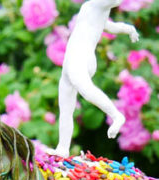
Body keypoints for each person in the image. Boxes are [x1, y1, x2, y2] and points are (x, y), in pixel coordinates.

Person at [50, 0, 139, 157]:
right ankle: (63, 148)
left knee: (86, 90)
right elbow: (111, 27)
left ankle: (116, 115)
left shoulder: (97, 5)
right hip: (70, 60)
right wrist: (129, 29)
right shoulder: (96, 9)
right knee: (66, 109)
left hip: (80, 58)